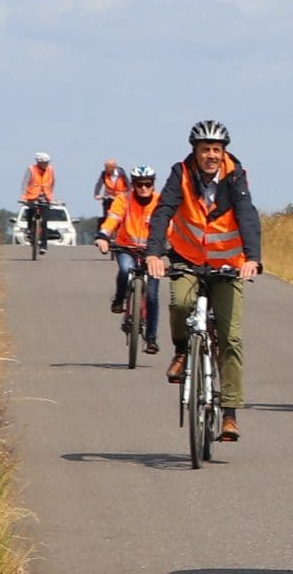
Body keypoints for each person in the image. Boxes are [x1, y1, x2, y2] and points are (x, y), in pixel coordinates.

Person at [145, 121, 262, 442]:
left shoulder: (235, 175)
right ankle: (182, 351)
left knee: (230, 338)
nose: (211, 155)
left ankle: (229, 413)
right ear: (194, 151)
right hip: (188, 258)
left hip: (228, 263)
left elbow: (247, 214)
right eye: (205, 149)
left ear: (223, 151)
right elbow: (163, 211)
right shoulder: (180, 173)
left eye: (216, 149)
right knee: (180, 302)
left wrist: (253, 258)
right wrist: (154, 253)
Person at [94, 164, 161, 349]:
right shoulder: (123, 199)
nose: (144, 188)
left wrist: (171, 247)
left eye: (148, 184)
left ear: (153, 184)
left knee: (153, 296)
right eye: (139, 185)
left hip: (152, 253)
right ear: (133, 185)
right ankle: (119, 298)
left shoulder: (161, 201)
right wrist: (103, 236)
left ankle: (151, 338)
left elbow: (169, 226)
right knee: (125, 270)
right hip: (126, 247)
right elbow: (112, 219)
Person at [18, 152, 55, 246]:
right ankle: (30, 230)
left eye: (47, 162)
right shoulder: (31, 169)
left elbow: (52, 183)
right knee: (30, 212)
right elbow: (25, 183)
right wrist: (22, 197)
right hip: (32, 197)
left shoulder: (50, 170)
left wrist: (51, 197)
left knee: (44, 221)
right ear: (38, 162)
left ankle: (43, 245)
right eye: (44, 162)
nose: (46, 164)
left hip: (45, 198)